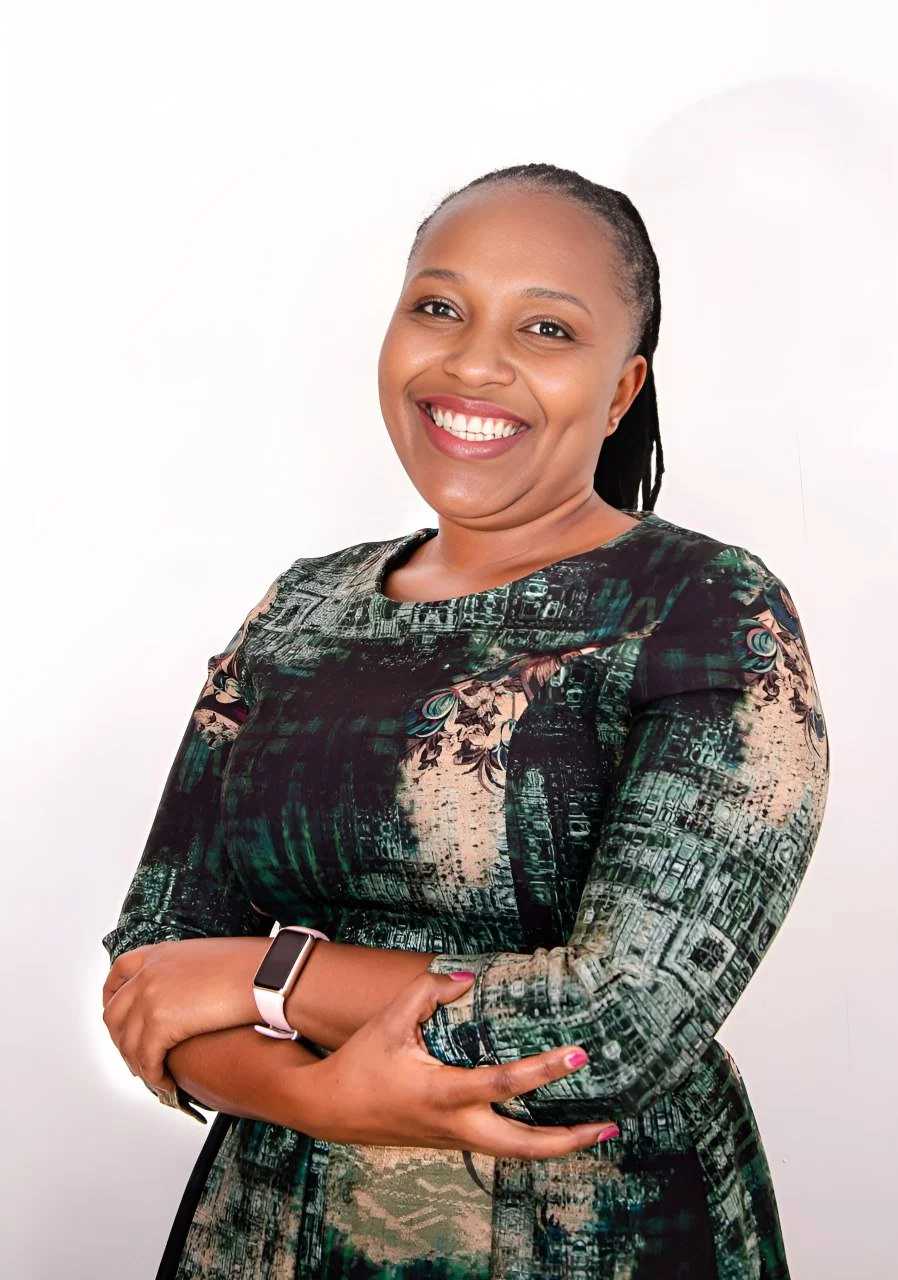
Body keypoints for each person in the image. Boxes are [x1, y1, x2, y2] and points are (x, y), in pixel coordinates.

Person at [100, 163, 830, 1280]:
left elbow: (616, 1020)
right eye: (438, 306)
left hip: (594, 1238)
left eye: (545, 327)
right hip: (266, 1233)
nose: (473, 360)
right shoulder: (299, 609)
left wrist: (265, 975)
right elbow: (153, 971)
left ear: (622, 386)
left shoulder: (703, 610)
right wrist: (321, 1096)